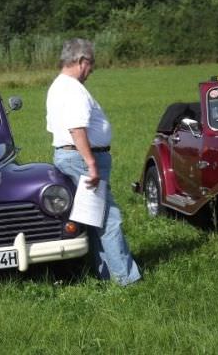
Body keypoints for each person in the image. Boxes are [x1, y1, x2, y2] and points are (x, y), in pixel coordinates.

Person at [46, 38, 141, 285]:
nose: (92, 69)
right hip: (81, 158)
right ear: (80, 61)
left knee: (94, 217)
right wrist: (91, 164)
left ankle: (105, 272)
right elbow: (77, 128)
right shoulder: (72, 89)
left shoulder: (58, 86)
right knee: (109, 217)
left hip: (71, 155)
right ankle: (126, 278)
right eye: (91, 64)